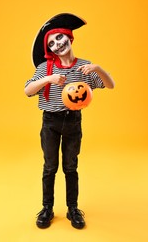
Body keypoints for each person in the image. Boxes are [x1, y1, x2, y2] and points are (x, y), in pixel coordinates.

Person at [24, 13, 115, 229]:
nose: (57, 44)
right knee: (50, 167)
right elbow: (27, 90)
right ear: (50, 49)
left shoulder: (84, 67)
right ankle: (47, 208)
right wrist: (48, 79)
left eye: (59, 38)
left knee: (70, 167)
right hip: (50, 123)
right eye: (52, 43)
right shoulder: (45, 69)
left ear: (69, 37)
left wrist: (98, 69)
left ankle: (73, 208)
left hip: (73, 121)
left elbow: (110, 85)